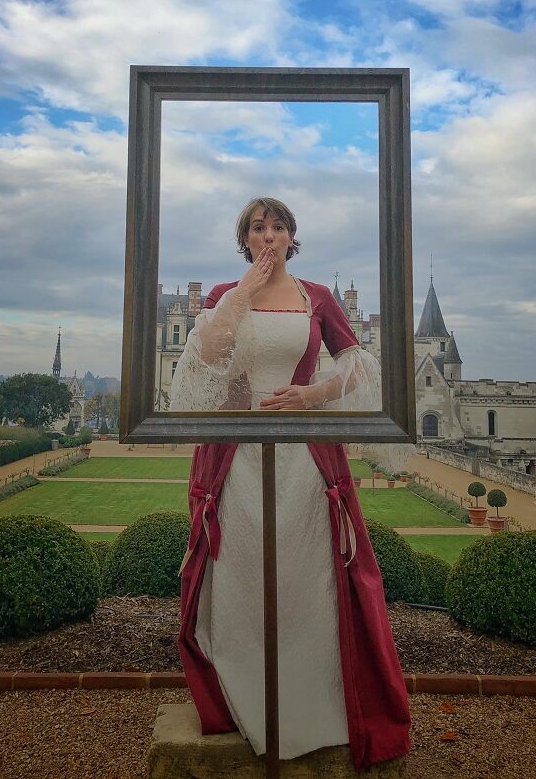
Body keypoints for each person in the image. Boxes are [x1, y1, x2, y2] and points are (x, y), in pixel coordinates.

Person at [171, 196, 412, 770]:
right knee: (242, 567)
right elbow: (204, 359)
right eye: (259, 227)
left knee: (308, 571)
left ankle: (316, 701)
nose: (270, 235)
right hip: (237, 458)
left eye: (279, 226)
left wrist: (313, 395)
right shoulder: (224, 297)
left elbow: (360, 366)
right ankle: (244, 693)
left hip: (306, 456)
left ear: (293, 237)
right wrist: (242, 295)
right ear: (246, 238)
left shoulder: (316, 298)